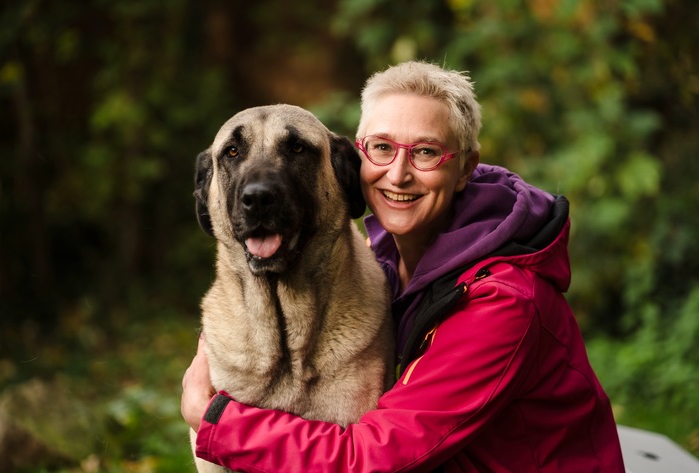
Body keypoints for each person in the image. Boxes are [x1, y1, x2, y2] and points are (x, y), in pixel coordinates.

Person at [181, 61, 625, 472]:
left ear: (467, 167)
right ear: (356, 164)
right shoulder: (384, 257)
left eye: (426, 152)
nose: (398, 174)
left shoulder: (503, 301)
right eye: (382, 148)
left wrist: (216, 419)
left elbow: (377, 458)